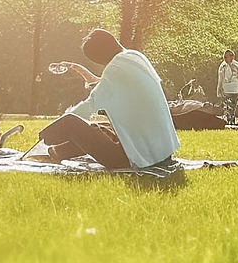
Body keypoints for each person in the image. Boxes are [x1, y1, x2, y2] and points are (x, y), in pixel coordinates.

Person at [38, 29, 180, 169]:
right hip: (162, 153)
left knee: (69, 123)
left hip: (135, 158)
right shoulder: (135, 57)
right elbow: (112, 86)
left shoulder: (116, 67)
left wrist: (54, 128)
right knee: (100, 129)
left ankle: (46, 146)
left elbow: (90, 105)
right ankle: (57, 152)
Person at [216, 49, 238, 125]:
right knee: (227, 107)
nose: (226, 58)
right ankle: (228, 122)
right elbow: (220, 79)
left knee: (233, 108)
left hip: (235, 89)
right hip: (226, 90)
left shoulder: (236, 65)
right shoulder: (222, 66)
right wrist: (219, 89)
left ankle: (232, 121)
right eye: (225, 56)